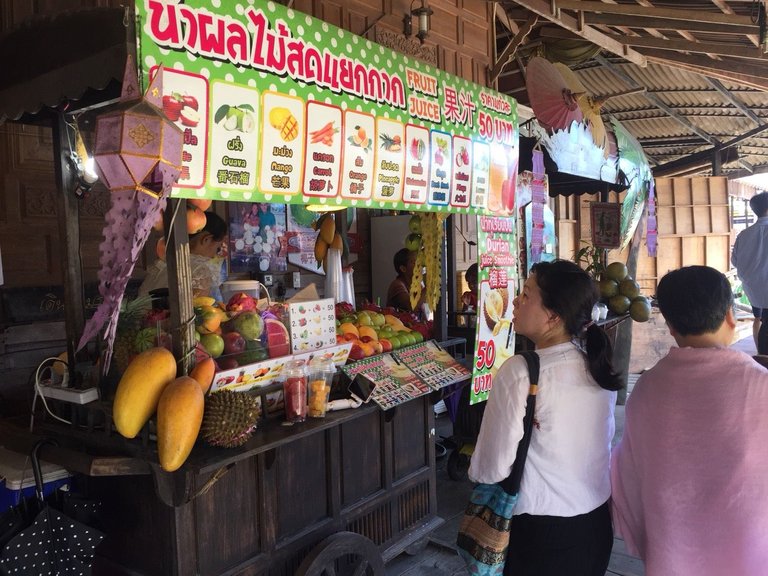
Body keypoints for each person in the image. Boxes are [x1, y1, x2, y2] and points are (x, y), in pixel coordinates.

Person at [611, 265, 768, 576]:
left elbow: (629, 472)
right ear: (729, 315)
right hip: (751, 551)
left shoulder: (646, 390)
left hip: (673, 552)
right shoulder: (761, 385)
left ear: (669, 325)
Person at [468, 259, 622, 576]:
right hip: (595, 525)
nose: (515, 301)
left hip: (541, 536)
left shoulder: (521, 371)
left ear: (552, 316)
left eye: (525, 295)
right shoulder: (596, 364)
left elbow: (491, 467)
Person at [139, 212, 229, 301]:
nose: (214, 255)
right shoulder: (200, 271)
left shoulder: (162, 264)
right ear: (206, 239)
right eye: (217, 248)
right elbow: (200, 310)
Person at [731, 191, 768, 354]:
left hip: (755, 291)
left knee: (761, 320)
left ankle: (762, 355)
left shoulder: (744, 235)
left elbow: (735, 261)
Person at [387, 248, 422, 312]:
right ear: (403, 269)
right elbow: (411, 306)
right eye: (414, 262)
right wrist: (428, 287)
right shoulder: (397, 285)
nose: (419, 265)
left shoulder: (417, 286)